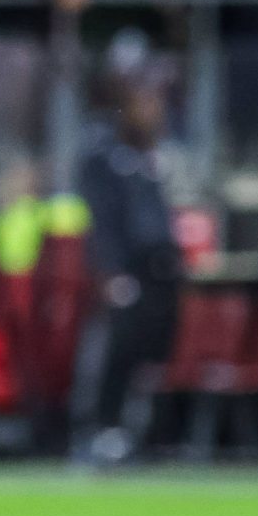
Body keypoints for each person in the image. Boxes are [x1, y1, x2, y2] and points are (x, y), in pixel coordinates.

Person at [73, 72, 180, 465]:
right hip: (123, 275)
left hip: (158, 275)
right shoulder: (104, 158)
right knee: (111, 353)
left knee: (148, 359)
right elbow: (102, 221)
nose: (153, 113)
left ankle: (139, 432)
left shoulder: (154, 158)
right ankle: (96, 429)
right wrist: (111, 272)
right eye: (145, 104)